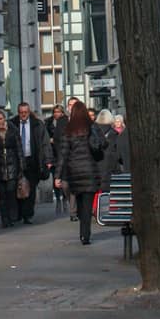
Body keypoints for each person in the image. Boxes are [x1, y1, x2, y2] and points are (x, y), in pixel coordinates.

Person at [55, 97, 105, 244]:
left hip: (74, 172)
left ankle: (83, 232)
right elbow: (103, 143)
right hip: (89, 170)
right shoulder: (91, 127)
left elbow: (63, 154)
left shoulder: (68, 130)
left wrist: (58, 175)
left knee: (80, 202)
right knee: (88, 204)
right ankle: (85, 234)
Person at [11, 102, 53, 224]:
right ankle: (18, 213)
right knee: (16, 187)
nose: (23, 115)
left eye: (25, 112)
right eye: (21, 112)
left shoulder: (37, 125)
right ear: (18, 113)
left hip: (32, 160)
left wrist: (48, 159)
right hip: (17, 160)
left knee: (31, 188)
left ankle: (28, 214)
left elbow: (45, 143)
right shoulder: (12, 124)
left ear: (29, 112)